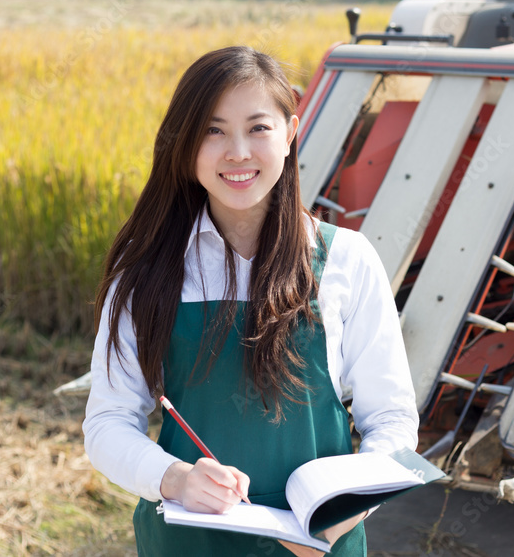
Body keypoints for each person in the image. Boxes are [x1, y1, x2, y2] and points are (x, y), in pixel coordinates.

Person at [83, 45, 419, 556]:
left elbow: (392, 419)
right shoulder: (146, 270)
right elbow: (107, 422)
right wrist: (173, 477)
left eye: (258, 128)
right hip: (189, 540)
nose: (237, 151)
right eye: (212, 131)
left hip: (320, 544)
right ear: (184, 145)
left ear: (291, 133)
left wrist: (342, 511)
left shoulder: (345, 259)